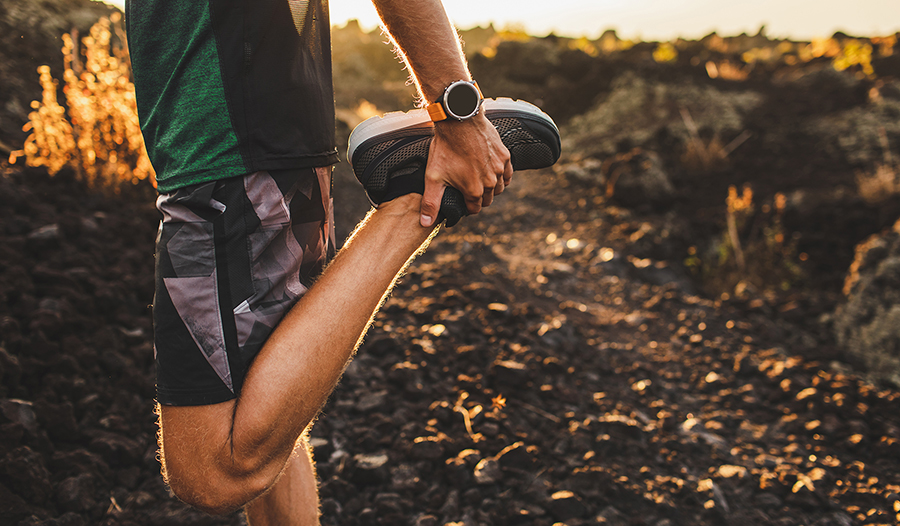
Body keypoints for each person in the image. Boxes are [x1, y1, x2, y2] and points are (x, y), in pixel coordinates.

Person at [125, 0, 562, 522]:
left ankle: (412, 202)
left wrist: (458, 113)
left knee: (215, 470)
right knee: (262, 402)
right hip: (236, 143)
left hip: (231, 148)